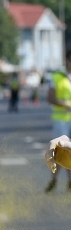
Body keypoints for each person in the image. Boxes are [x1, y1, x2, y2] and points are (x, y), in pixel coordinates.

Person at [46, 51, 71, 192]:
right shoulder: (57, 77)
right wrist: (65, 104)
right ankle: (54, 180)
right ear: (67, 60)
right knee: (61, 152)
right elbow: (50, 98)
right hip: (61, 121)